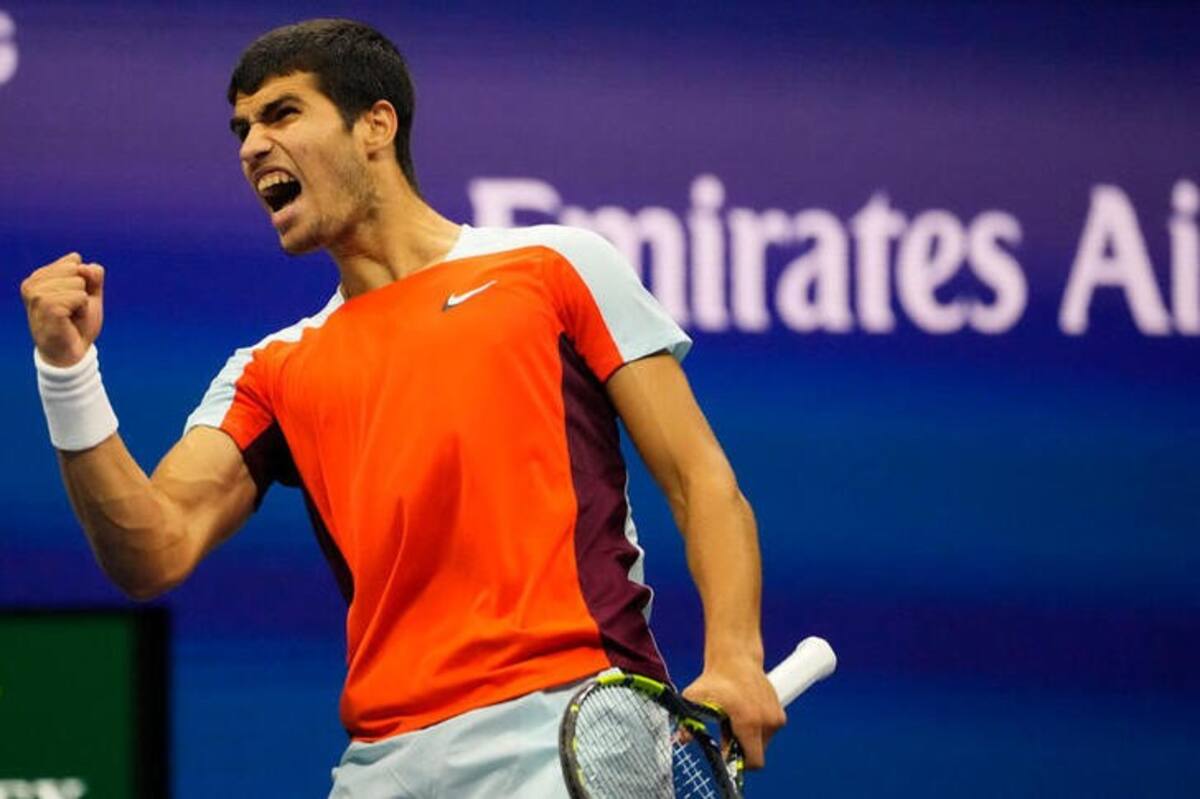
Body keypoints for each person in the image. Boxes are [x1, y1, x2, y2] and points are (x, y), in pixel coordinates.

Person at [20, 18, 785, 797]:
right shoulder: (269, 370)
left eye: (282, 114)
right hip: (384, 762)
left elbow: (700, 479)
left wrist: (734, 657)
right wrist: (67, 371)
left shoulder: (554, 266)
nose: (252, 146)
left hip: (569, 724)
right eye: (242, 128)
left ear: (375, 126)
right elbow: (151, 549)